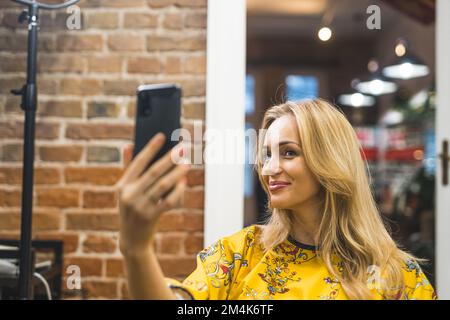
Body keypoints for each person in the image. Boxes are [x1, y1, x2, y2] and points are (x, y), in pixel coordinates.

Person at [116, 99, 436, 300]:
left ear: (331, 160)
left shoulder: (396, 274)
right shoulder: (239, 256)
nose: (269, 168)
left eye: (289, 152)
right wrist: (136, 248)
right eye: (267, 154)